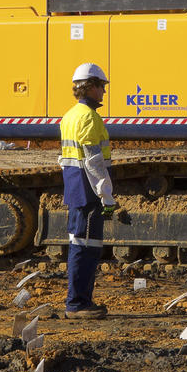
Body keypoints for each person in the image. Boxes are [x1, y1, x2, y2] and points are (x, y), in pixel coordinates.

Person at [59, 62, 121, 319]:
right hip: (88, 191)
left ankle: (79, 301)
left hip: (76, 188)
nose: (104, 93)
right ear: (91, 87)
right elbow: (94, 162)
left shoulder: (70, 115)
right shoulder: (89, 118)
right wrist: (107, 195)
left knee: (80, 245)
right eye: (101, 87)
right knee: (86, 248)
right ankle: (78, 304)